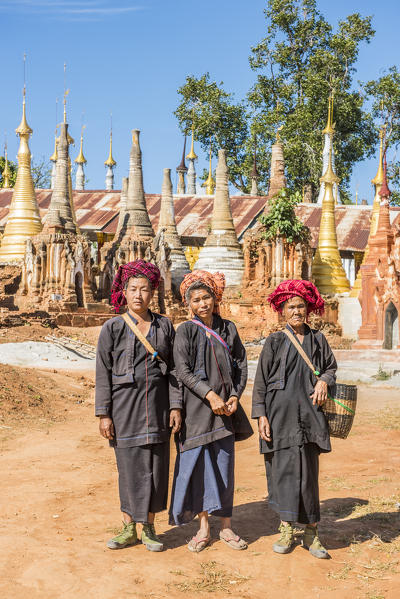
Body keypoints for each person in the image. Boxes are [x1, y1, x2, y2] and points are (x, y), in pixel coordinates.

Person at [95, 260, 181, 552]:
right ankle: (129, 526)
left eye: (145, 289)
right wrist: (104, 413)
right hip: (124, 409)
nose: (138, 295)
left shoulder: (164, 326)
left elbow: (174, 371)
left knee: (156, 467)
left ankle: (150, 527)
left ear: (153, 292)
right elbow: (102, 372)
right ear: (124, 291)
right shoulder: (113, 327)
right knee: (129, 468)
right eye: (133, 289)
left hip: (157, 409)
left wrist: (175, 407)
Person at [251, 279, 337, 559]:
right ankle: (287, 528)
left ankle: (312, 532)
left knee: (309, 477)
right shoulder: (275, 342)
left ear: (308, 309)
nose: (297, 311)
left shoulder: (318, 340)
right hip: (280, 420)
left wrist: (324, 380)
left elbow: (331, 368)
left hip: (310, 419)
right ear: (282, 311)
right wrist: (261, 414)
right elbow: (261, 382)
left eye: (301, 306)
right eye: (291, 307)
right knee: (283, 474)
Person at [169, 270, 250, 552]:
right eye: (196, 300)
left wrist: (235, 396)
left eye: (207, 298)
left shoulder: (229, 329)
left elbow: (241, 366)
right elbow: (182, 371)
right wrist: (210, 394)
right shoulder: (185, 331)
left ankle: (226, 527)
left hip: (225, 414)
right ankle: (203, 529)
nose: (202, 304)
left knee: (225, 469)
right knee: (201, 470)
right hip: (196, 413)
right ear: (188, 304)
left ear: (215, 299)